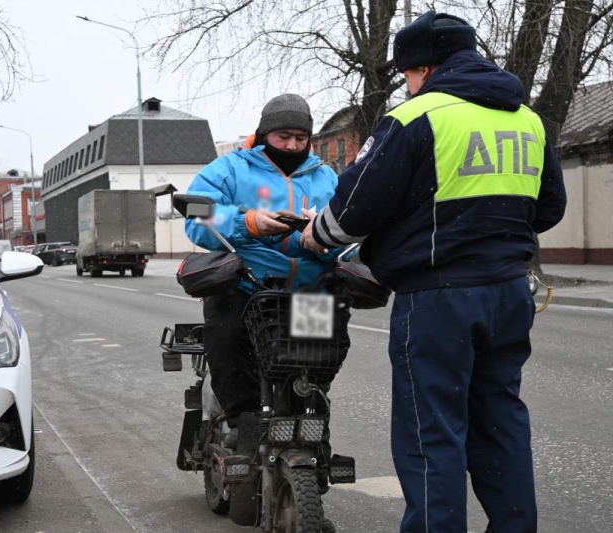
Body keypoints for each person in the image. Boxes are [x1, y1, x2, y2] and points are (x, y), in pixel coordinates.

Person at [300, 11, 566, 533]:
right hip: (510, 292)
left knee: (432, 432)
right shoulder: (525, 118)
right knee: (501, 420)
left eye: (406, 75)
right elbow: (548, 207)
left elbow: (355, 207)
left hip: (438, 296)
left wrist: (317, 235)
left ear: (420, 68)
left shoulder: (417, 116)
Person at [184, 94, 341, 450]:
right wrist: (248, 223)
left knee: (316, 362)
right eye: (283, 136)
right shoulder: (227, 169)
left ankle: (311, 418)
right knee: (229, 337)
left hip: (308, 287)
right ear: (264, 132)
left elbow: (352, 229)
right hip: (244, 285)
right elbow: (195, 219)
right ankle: (242, 420)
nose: (292, 145)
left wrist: (325, 239)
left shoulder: (327, 177)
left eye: (301, 138)